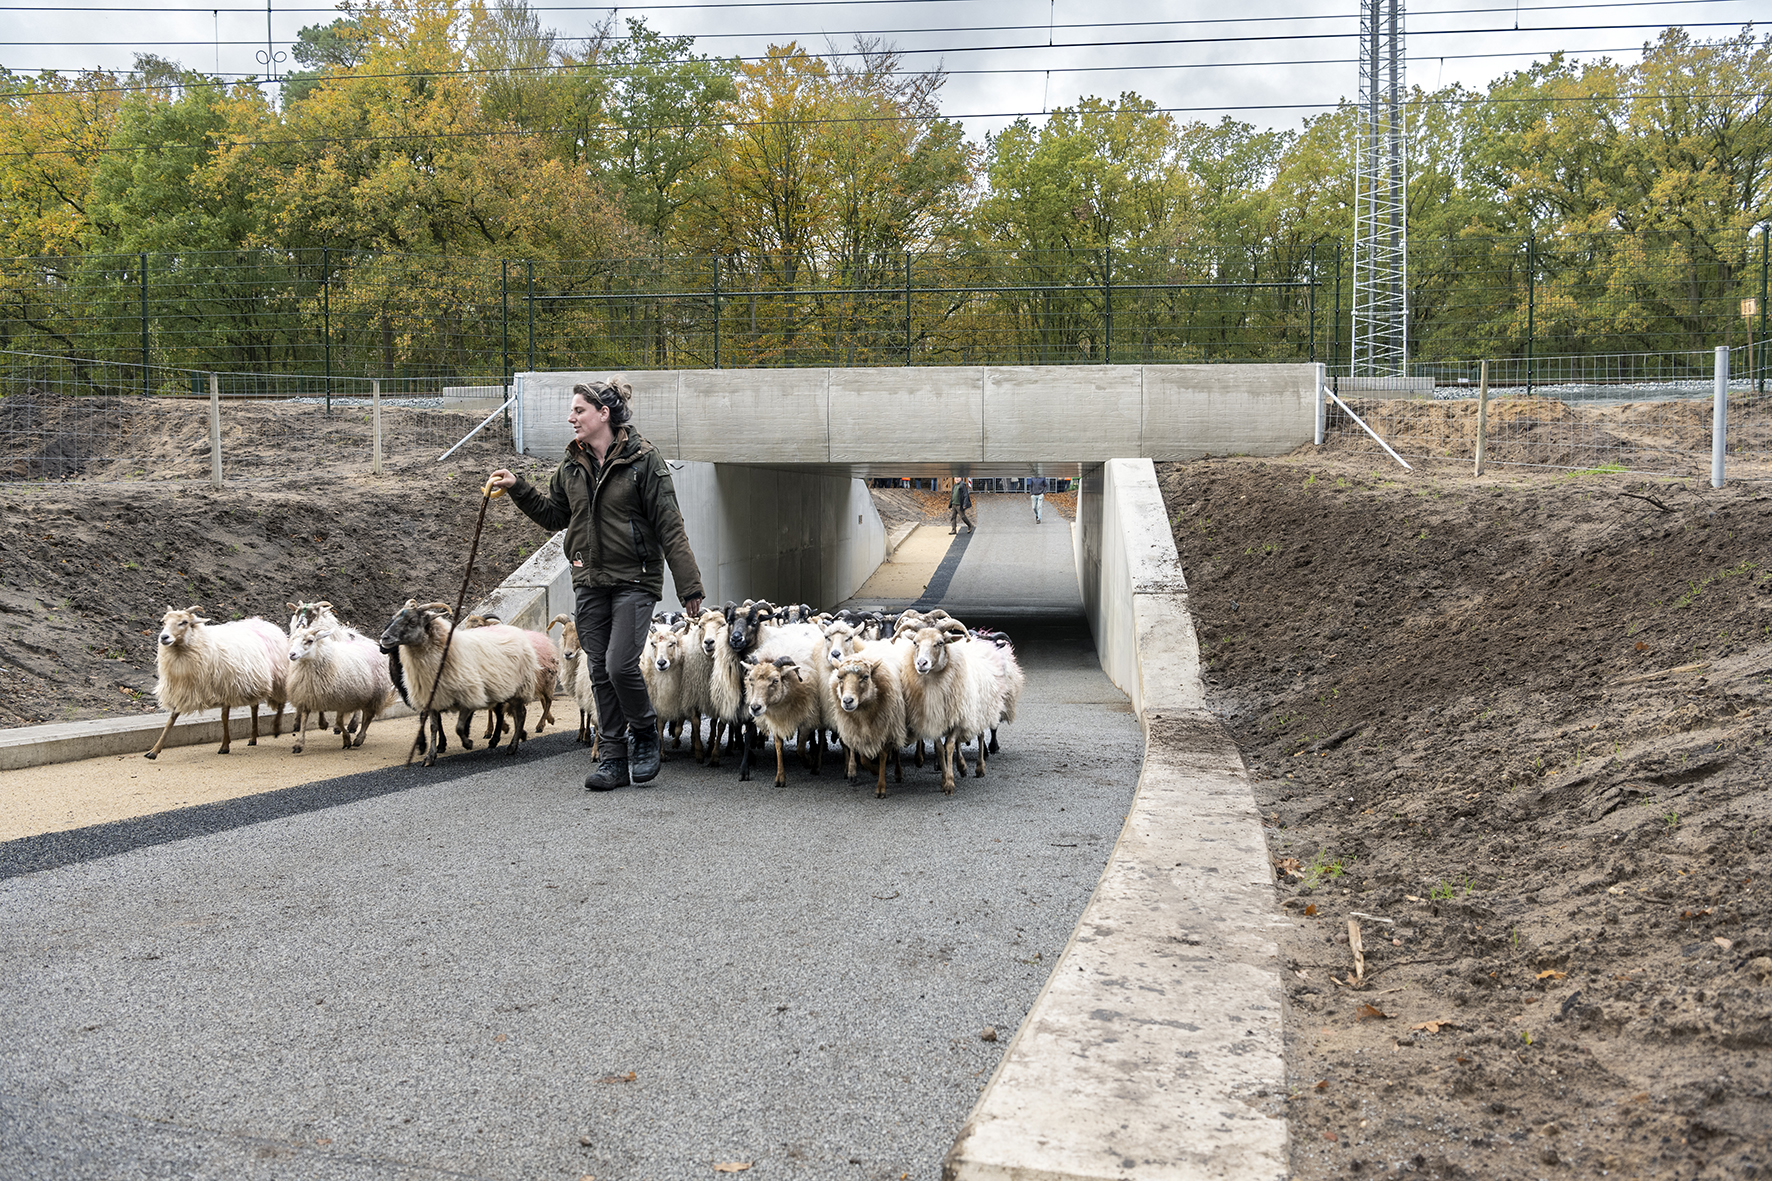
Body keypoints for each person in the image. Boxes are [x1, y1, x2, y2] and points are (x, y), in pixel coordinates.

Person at [488, 379, 704, 792]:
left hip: (635, 579)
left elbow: (669, 525)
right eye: (572, 412)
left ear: (603, 414)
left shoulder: (644, 460)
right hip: (589, 579)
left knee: (621, 663)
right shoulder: (572, 465)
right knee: (599, 671)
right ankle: (613, 758)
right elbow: (554, 515)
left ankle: (643, 734)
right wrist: (518, 488)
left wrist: (689, 585)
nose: (571, 418)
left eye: (579, 411)